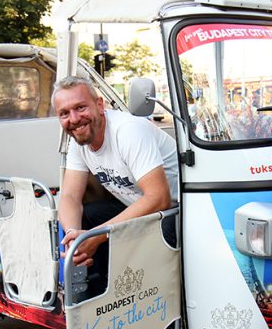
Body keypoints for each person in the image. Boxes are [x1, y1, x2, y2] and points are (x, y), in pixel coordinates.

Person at [54, 75, 179, 284]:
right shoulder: (79, 140)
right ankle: (104, 290)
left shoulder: (128, 131)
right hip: (141, 212)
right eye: (64, 113)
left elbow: (159, 199)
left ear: (99, 105)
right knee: (90, 216)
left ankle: (153, 298)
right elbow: (69, 196)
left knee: (160, 227)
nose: (74, 119)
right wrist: (76, 238)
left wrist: (96, 236)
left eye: (80, 108)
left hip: (178, 212)